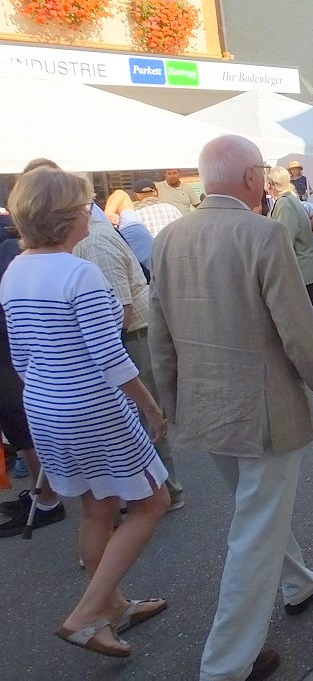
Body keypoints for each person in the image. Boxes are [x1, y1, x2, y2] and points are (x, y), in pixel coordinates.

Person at [149, 135, 313, 681]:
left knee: (254, 511)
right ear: (249, 178)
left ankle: (299, 583)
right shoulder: (261, 234)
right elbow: (299, 332)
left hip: (204, 407)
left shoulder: (168, 237)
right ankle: (225, 664)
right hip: (262, 411)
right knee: (253, 531)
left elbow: (160, 336)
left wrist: (169, 403)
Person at [1, 166, 170, 657]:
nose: (90, 213)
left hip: (45, 405)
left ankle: (112, 608)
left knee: (96, 507)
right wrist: (154, 408)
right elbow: (112, 358)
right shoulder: (80, 272)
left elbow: (20, 359)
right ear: (67, 216)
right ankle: (86, 613)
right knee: (152, 502)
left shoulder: (16, 269)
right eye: (83, 206)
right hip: (92, 406)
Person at [74, 206, 185, 512]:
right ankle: (159, 489)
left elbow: (119, 311)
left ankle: (165, 490)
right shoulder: (91, 239)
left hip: (133, 334)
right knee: (142, 412)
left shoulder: (94, 243)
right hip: (132, 333)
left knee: (144, 413)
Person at [0, 219, 67, 538]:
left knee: (20, 424)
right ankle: (45, 497)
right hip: (13, 355)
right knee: (17, 426)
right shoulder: (15, 254)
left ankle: (49, 501)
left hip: (11, 356)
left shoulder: (14, 255)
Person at [268, 167, 313, 316]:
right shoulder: (292, 199)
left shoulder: (284, 203)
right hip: (309, 266)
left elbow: (286, 238)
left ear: (272, 184)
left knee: (307, 316)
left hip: (302, 268)